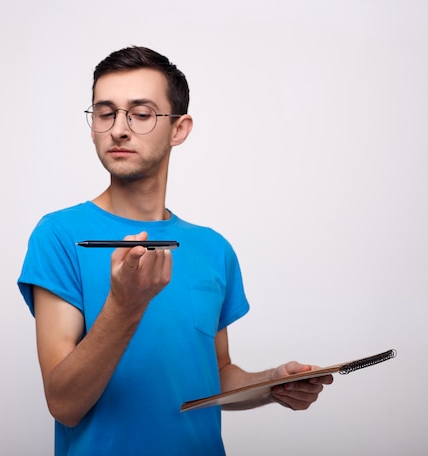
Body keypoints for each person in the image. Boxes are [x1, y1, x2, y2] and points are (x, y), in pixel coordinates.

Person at [18, 45, 333, 455]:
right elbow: (64, 404)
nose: (119, 128)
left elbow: (214, 375)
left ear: (178, 129)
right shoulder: (59, 235)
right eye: (105, 112)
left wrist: (272, 384)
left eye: (142, 114)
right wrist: (125, 305)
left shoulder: (213, 248)